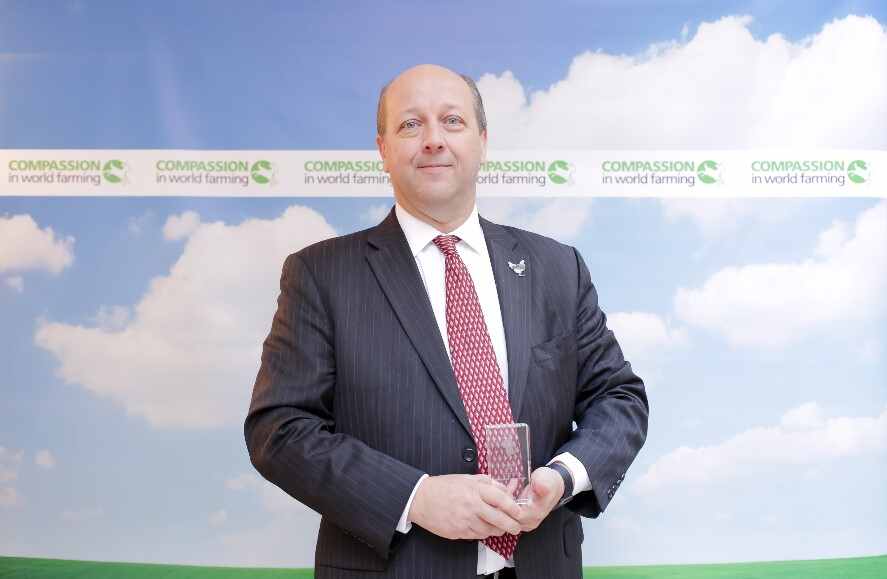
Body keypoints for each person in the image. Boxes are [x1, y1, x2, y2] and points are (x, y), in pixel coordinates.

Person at [245, 64, 649, 579]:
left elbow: (619, 397)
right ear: (382, 149)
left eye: (452, 121)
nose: (433, 140)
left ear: (482, 141)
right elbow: (279, 430)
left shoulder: (556, 268)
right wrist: (414, 498)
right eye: (411, 125)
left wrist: (563, 478)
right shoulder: (321, 275)